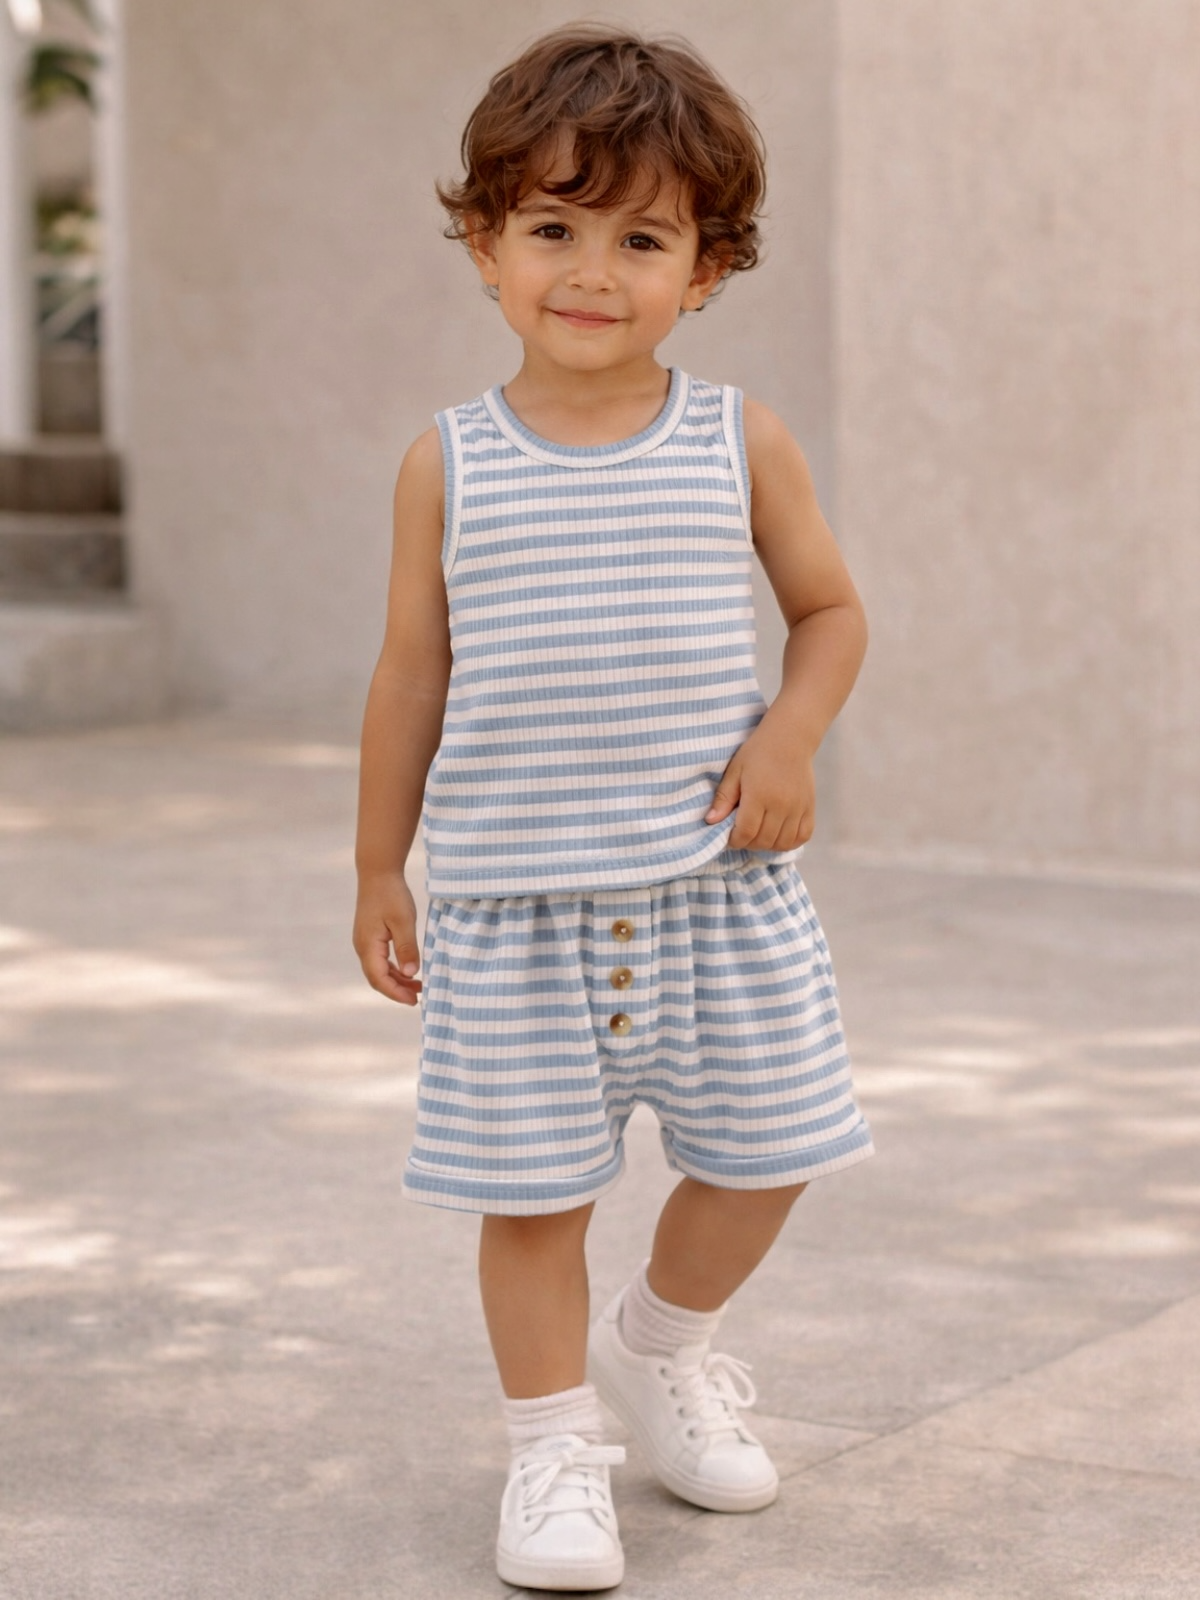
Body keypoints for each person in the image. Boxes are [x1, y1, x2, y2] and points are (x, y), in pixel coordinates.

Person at [353, 24, 874, 1592]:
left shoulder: (740, 442)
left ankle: (662, 1346)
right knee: (531, 1201)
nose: (592, 270)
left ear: (705, 268)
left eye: (640, 236)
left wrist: (790, 739)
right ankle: (552, 1452)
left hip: (715, 885)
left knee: (773, 1145)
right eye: (553, 228)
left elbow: (832, 613)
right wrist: (382, 862)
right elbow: (407, 673)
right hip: (515, 907)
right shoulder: (447, 463)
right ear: (485, 243)